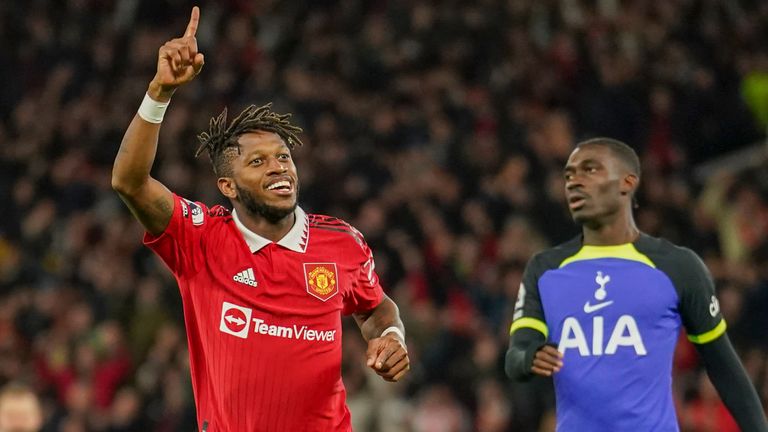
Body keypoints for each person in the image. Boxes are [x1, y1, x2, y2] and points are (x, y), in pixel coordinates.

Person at [111, 7, 409, 432]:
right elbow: (129, 181)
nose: (278, 168)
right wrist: (159, 93)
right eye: (258, 161)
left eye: (284, 157)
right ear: (227, 186)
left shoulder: (342, 242)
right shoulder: (201, 239)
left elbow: (376, 309)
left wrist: (391, 337)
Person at [505, 137, 768, 431]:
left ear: (627, 183)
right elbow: (515, 356)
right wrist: (529, 357)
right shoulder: (545, 269)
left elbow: (723, 366)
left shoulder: (677, 266)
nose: (573, 182)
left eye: (589, 170)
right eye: (568, 175)